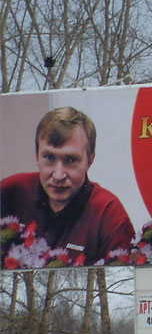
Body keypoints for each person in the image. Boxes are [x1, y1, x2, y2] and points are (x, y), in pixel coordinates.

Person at [1, 107, 134, 265]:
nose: (58, 175)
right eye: (49, 157)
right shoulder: (11, 191)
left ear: (90, 160)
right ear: (37, 156)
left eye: (70, 160)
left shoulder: (109, 215)